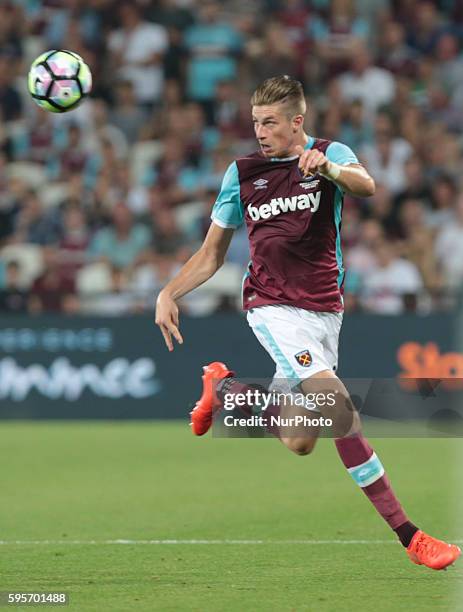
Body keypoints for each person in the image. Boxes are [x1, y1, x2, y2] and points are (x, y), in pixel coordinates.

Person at [155, 75, 460, 571]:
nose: (260, 131)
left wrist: (332, 170)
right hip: (272, 307)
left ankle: (229, 391)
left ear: (297, 122)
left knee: (301, 439)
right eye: (256, 122)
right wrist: (169, 291)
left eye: (270, 122)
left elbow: (368, 185)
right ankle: (411, 536)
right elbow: (212, 254)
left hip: (325, 311)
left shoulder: (328, 153)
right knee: (340, 410)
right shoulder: (242, 173)